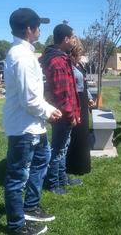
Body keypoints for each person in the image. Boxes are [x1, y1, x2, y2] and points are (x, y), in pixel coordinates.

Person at [3, 7, 62, 235]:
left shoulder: (24, 54)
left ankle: (30, 205)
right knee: (17, 176)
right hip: (24, 126)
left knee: (42, 158)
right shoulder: (22, 57)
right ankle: (16, 225)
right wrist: (49, 111)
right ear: (29, 29)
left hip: (32, 124)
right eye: (38, 26)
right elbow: (30, 100)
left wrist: (46, 111)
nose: (39, 30)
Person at [40, 23, 81, 194]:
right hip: (62, 114)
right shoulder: (57, 61)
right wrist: (71, 114)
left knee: (63, 146)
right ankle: (53, 183)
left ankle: (62, 178)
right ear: (65, 39)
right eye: (72, 37)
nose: (74, 40)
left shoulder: (62, 57)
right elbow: (62, 94)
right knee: (58, 149)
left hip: (65, 113)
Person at [66, 36, 94, 176]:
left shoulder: (79, 65)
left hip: (83, 102)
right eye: (77, 54)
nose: (79, 56)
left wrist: (89, 98)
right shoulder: (67, 66)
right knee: (76, 135)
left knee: (83, 135)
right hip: (75, 103)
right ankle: (73, 166)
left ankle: (83, 164)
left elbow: (84, 84)